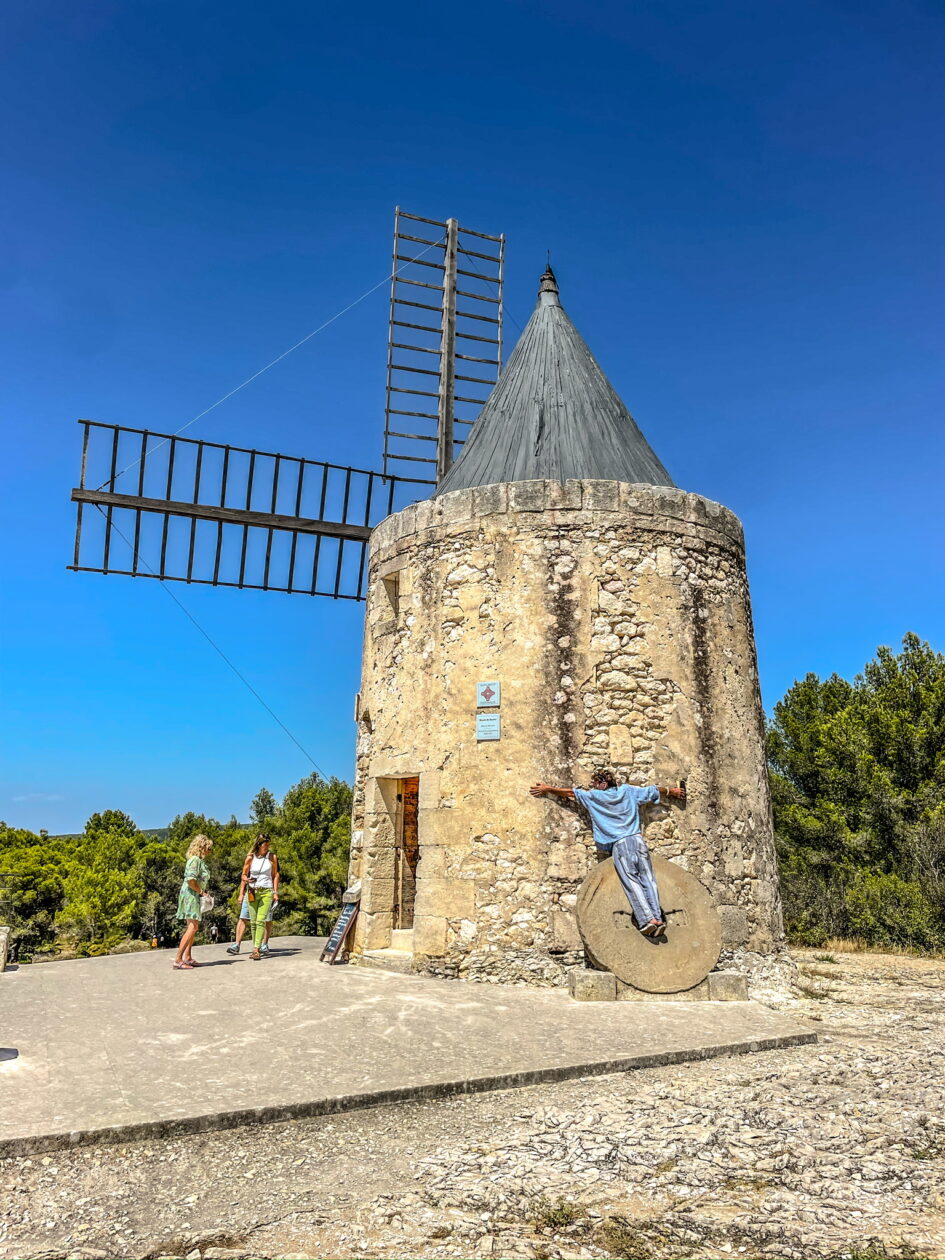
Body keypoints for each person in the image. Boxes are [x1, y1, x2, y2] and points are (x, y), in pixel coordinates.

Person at [530, 769, 686, 936]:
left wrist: (548, 789)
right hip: (638, 841)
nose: (592, 787)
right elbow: (654, 790)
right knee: (648, 880)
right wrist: (673, 791)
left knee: (632, 881)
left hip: (621, 844)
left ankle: (648, 919)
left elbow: (569, 793)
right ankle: (658, 917)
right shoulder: (628, 791)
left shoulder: (595, 797)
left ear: (603, 784)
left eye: (595, 784)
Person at [230, 835, 279, 961]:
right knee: (252, 921)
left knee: (261, 920)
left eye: (268, 844)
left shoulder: (272, 857)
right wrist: (246, 880)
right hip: (252, 891)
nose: (267, 847)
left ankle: (256, 949)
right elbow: (243, 875)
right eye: (265, 844)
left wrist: (275, 892)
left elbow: (275, 875)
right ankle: (254, 946)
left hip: (266, 891)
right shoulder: (250, 858)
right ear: (259, 845)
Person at [174, 833, 214, 969]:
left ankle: (188, 957)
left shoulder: (197, 860)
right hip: (191, 895)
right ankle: (178, 959)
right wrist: (201, 892)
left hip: (193, 894)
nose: (209, 852)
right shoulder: (195, 860)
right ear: (202, 848)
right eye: (208, 848)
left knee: (193, 927)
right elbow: (191, 880)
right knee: (192, 927)